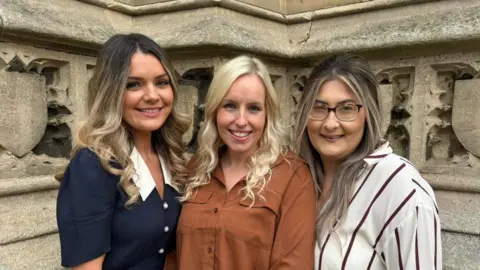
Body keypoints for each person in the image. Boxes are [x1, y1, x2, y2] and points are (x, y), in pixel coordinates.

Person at [292, 53, 442, 269]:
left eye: (346, 108)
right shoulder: (297, 179)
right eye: (319, 107)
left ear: (368, 113)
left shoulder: (401, 188)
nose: (330, 123)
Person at [55, 33, 189, 269]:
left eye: (161, 82)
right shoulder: (93, 166)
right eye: (133, 84)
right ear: (111, 92)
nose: (152, 96)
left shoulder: (170, 159)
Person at [172, 55, 316, 269]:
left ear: (267, 115)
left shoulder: (292, 176)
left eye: (253, 108)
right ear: (214, 111)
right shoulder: (196, 168)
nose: (241, 121)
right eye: (230, 106)